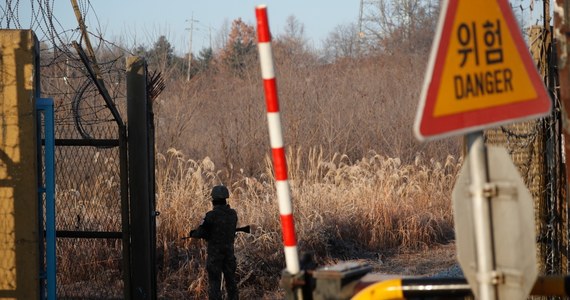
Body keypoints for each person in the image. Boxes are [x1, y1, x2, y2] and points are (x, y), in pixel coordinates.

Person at [190, 185, 239, 300]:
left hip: (215, 256)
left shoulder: (210, 216)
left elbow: (200, 232)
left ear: (213, 200)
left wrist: (193, 233)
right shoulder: (233, 214)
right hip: (229, 254)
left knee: (214, 285)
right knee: (231, 283)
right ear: (225, 199)